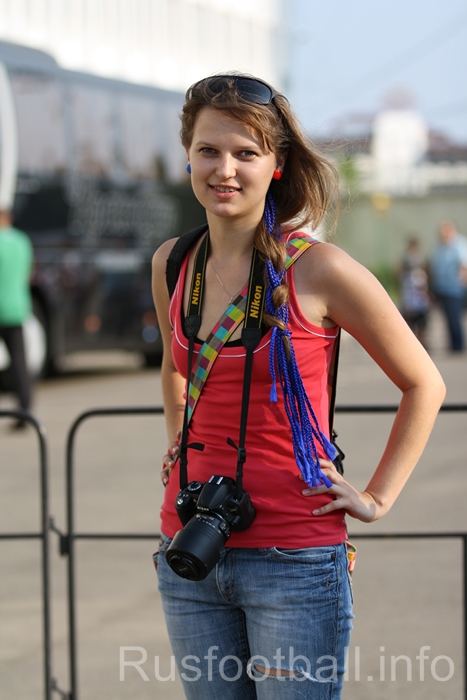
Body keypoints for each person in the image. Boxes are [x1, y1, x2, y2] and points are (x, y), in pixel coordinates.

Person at [151, 74, 446, 699]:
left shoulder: (319, 268)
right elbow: (177, 367)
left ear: (276, 164)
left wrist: (377, 497)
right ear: (188, 157)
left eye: (246, 153)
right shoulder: (174, 263)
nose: (225, 169)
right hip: (190, 546)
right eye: (208, 150)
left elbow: (424, 383)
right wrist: (179, 442)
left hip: (295, 558)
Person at [0, 209, 34, 428]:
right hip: (18, 308)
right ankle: (25, 413)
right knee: (19, 364)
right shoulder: (22, 241)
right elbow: (28, 272)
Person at [430, 219, 467, 352]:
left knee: (454, 318)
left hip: (455, 288)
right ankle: (453, 345)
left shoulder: (459, 244)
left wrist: (462, 282)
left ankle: (458, 345)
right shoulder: (439, 246)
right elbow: (434, 267)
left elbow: (464, 265)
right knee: (447, 318)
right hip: (442, 288)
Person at [399, 236, 430, 347]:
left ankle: (421, 342)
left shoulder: (422, 264)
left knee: (421, 323)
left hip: (420, 300)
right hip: (411, 300)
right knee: (411, 323)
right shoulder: (406, 266)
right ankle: (414, 343)